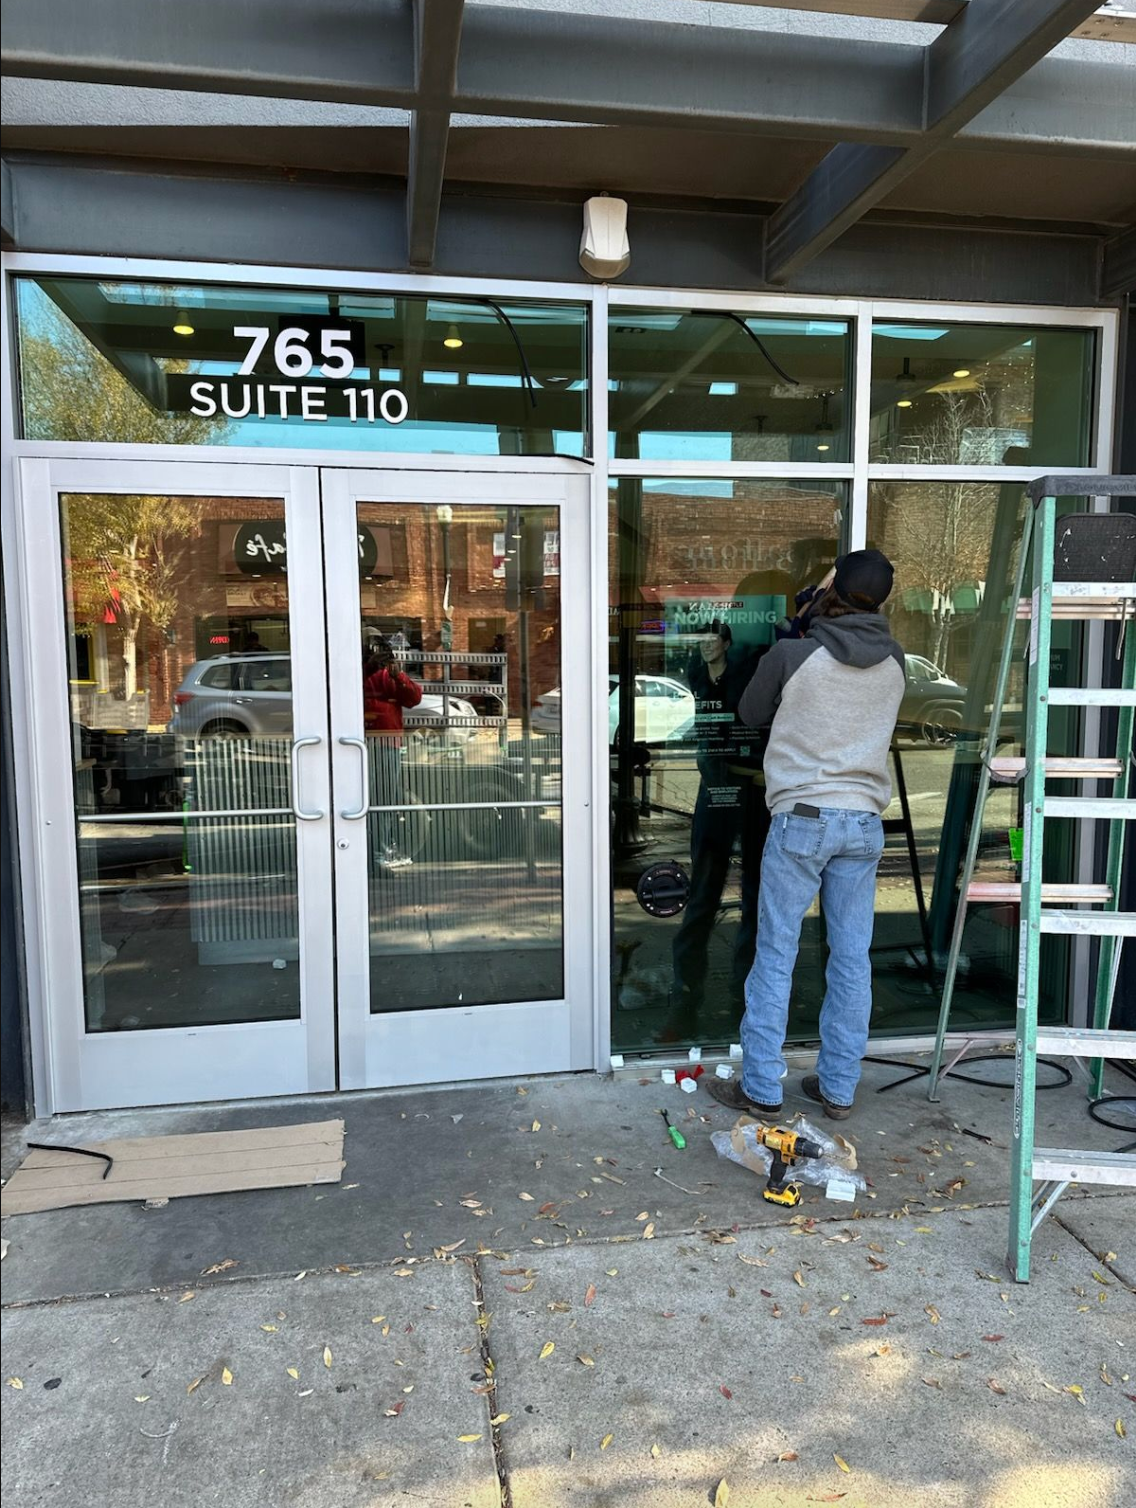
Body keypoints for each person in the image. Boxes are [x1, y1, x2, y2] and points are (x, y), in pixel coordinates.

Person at [708, 550, 904, 1121]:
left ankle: (763, 1088)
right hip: (864, 822)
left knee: (776, 952)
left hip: (804, 819)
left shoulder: (795, 653)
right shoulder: (894, 660)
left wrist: (793, 633)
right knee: (851, 959)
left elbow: (748, 712)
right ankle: (838, 1088)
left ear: (830, 591)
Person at [666, 621, 767, 1038]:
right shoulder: (695, 672)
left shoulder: (751, 666)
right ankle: (685, 997)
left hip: (756, 787)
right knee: (703, 893)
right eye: (700, 641)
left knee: (755, 897)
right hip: (717, 785)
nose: (705, 647)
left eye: (713, 640)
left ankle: (744, 1001)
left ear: (727, 642)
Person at [363, 635, 423, 870]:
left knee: (384, 797)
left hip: (388, 742)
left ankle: (378, 850)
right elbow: (346, 690)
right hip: (363, 742)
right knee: (367, 798)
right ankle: (371, 851)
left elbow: (414, 698)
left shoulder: (390, 674)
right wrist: (368, 668)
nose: (377, 656)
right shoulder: (356, 669)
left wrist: (398, 674)